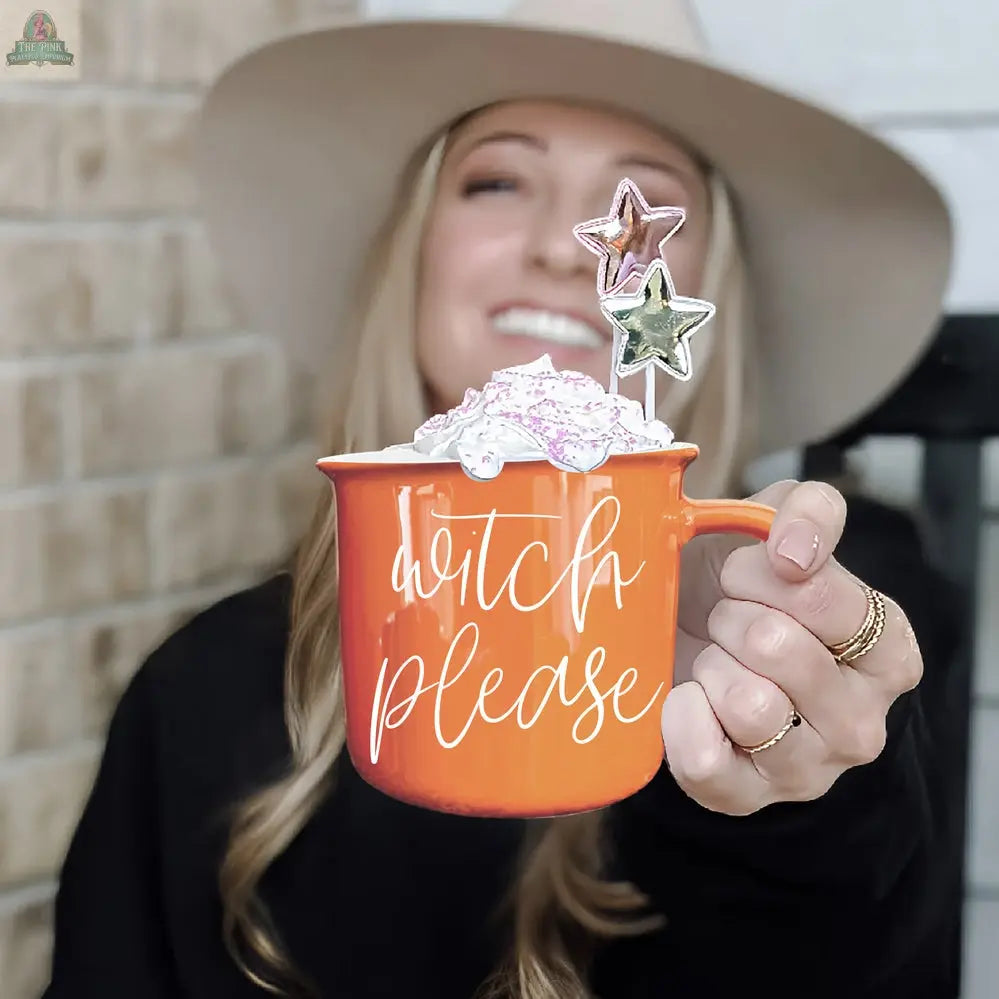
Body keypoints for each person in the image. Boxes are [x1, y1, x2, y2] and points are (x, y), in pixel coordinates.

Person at [42, 2, 963, 997]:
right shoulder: (200, 695)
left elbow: (856, 950)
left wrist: (799, 788)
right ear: (414, 252)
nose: (568, 250)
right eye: (497, 179)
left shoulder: (834, 640)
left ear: (706, 297)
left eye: (641, 205)